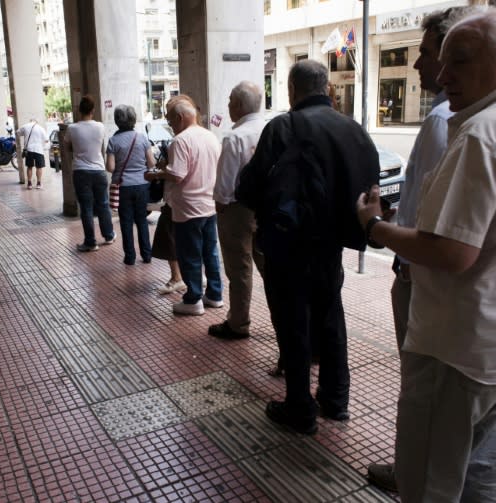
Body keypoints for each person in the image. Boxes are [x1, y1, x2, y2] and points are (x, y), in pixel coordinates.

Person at [356, 7, 496, 501]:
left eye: (459, 61)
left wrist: (375, 226)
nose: (441, 74)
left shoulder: (485, 132)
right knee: (485, 466)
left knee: (429, 480)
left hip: (460, 349)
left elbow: (451, 252)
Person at [237, 59, 379, 434]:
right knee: (331, 315)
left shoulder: (283, 127)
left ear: (291, 89)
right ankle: (336, 399)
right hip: (332, 244)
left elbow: (248, 188)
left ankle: (299, 406)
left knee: (293, 320)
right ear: (327, 88)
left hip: (290, 243)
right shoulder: (355, 130)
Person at [366, 7, 466, 493]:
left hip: (424, 275)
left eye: (426, 54)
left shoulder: (447, 121)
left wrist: (378, 231)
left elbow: (427, 215)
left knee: (420, 384)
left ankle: (411, 472)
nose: (419, 66)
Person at [146, 97, 222, 316]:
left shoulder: (180, 141)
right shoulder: (210, 136)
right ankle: (215, 295)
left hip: (187, 208)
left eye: (170, 120)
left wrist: (156, 174)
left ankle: (193, 299)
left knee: (189, 255)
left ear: (180, 117)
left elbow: (177, 174)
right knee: (210, 253)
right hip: (209, 204)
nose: (170, 124)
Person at [208, 81, 266, 340]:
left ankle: (239, 322)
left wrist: (220, 204)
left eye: (230, 101)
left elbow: (225, 185)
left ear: (239, 106)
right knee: (270, 267)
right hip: (266, 209)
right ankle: (285, 321)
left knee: (239, 268)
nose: (228, 105)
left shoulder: (235, 137)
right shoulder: (270, 129)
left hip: (237, 209)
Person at [63, 95, 115, 252]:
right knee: (103, 204)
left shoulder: (72, 128)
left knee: (86, 207)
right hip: (99, 171)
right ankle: (109, 235)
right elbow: (101, 145)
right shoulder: (100, 126)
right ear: (93, 110)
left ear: (79, 110)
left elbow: (67, 147)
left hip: (80, 171)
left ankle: (91, 242)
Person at [106, 105, 155, 265]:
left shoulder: (113, 141)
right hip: (142, 185)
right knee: (141, 220)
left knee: (126, 221)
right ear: (133, 119)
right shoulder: (142, 138)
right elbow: (151, 163)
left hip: (123, 187)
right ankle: (147, 255)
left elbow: (111, 168)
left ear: (117, 121)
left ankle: (130, 257)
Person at [17, 118, 47, 189]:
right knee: (39, 167)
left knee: (29, 167)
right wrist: (44, 148)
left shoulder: (25, 126)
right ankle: (38, 183)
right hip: (39, 150)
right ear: (37, 122)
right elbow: (46, 140)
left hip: (29, 150)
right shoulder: (41, 128)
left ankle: (29, 184)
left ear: (30, 121)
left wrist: (24, 134)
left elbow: (17, 132)